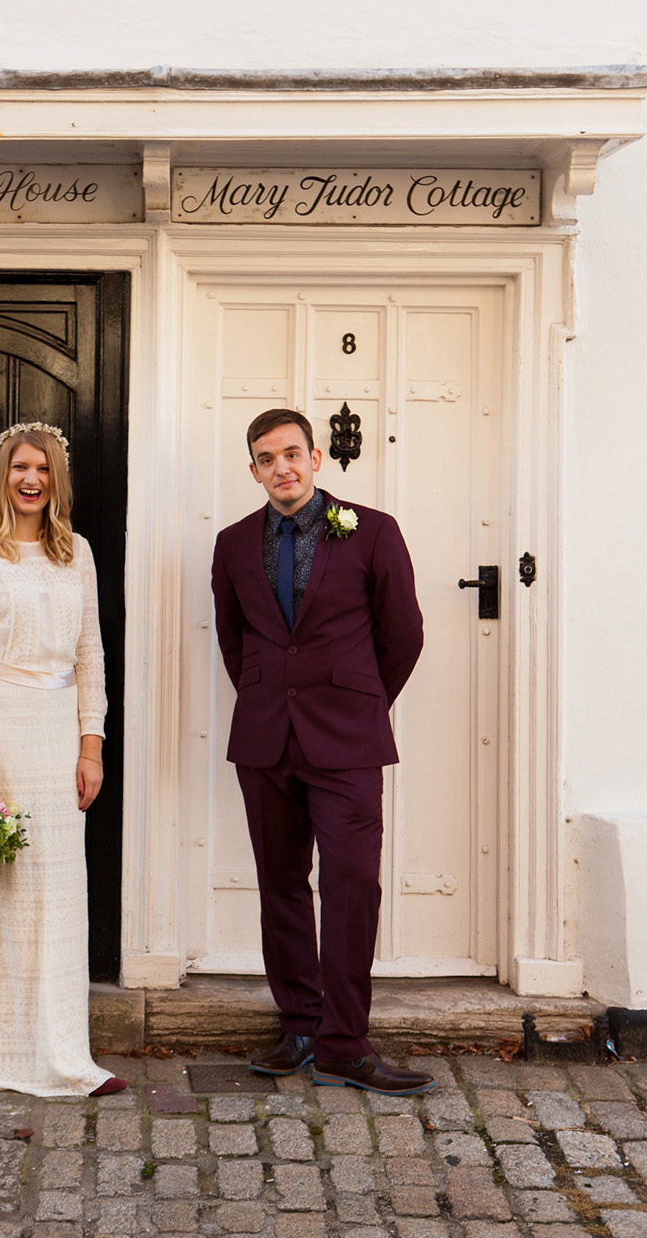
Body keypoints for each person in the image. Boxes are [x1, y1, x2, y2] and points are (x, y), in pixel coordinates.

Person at [211, 408, 434, 1095]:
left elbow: (404, 635)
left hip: (348, 742)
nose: (281, 467)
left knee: (350, 886)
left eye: (291, 454)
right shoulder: (232, 542)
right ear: (253, 470)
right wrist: (269, 699)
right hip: (265, 741)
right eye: (266, 458)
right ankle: (301, 1025)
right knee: (280, 885)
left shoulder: (374, 532)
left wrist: (360, 702)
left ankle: (344, 1041)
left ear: (315, 459)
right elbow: (235, 640)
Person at [0, 421, 126, 1097]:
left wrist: (92, 744)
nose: (31, 479)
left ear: (56, 479)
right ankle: (1, 1050)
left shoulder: (77, 552)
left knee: (58, 892)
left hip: (57, 733)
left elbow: (91, 656)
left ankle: (64, 1052)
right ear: (2, 474)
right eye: (20, 467)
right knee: (2, 890)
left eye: (42, 469)